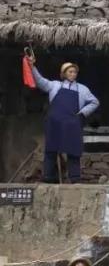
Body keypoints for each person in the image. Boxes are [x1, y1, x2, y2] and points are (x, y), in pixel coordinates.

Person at [27, 56, 99, 184]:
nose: (73, 74)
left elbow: (95, 102)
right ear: (64, 74)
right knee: (51, 151)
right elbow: (39, 80)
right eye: (70, 72)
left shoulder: (83, 89)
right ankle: (48, 178)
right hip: (54, 123)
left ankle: (75, 179)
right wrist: (32, 66)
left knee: (73, 152)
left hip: (72, 124)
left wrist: (82, 113)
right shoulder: (54, 85)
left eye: (75, 72)